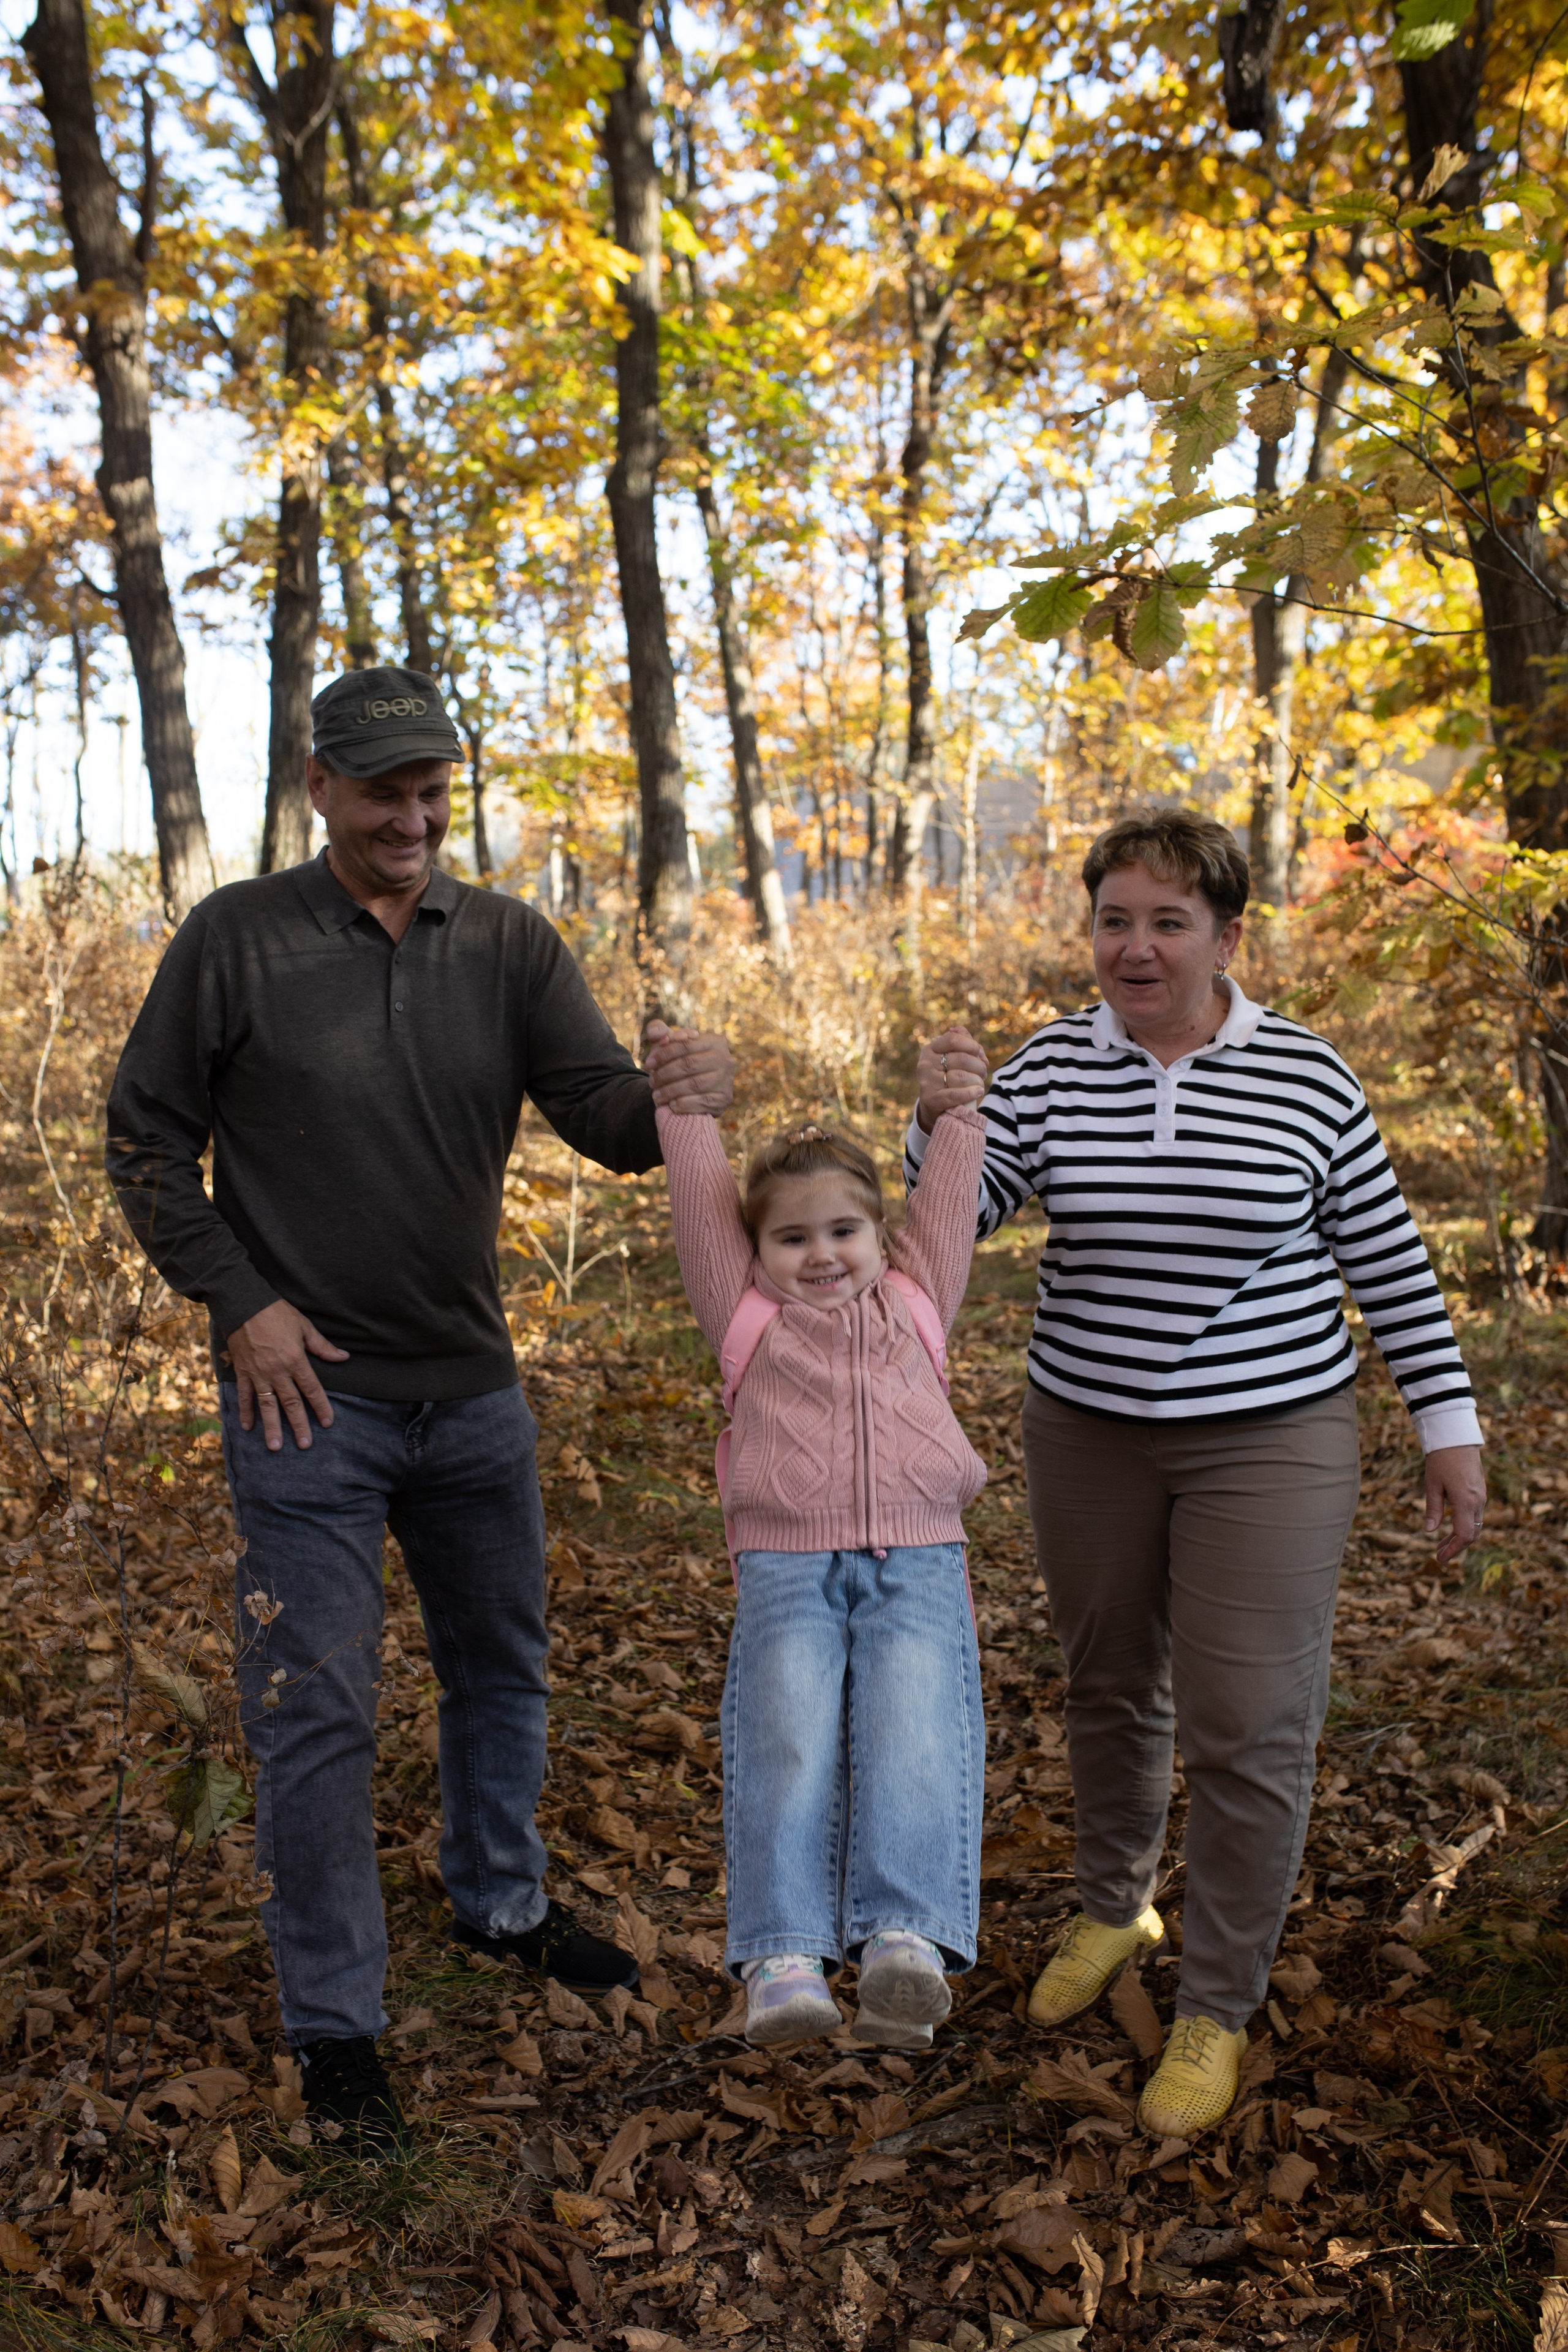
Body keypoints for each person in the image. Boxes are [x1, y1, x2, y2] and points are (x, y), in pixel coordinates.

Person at [104, 665, 733, 2152]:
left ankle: (498, 1902)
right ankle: (336, 2026)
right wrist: (240, 1302)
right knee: (318, 1707)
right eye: (382, 790)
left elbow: (605, 1120)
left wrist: (683, 1094)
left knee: (500, 1667)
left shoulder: (506, 942)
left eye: (431, 789)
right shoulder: (236, 939)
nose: (411, 816)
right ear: (318, 786)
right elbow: (143, 1141)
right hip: (303, 1404)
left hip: (471, 1393)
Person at [908, 807, 1485, 2137]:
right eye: (1113, 919)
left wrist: (1447, 1425)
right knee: (1107, 1684)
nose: (1135, 946)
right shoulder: (1049, 1068)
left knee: (1248, 1724)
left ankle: (1217, 2002)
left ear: (1226, 937)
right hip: (1086, 1429)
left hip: (1269, 1436)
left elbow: (1388, 1261)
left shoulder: (1306, 1076)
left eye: (1167, 921)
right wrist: (938, 1123)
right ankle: (1115, 1907)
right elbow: (952, 1222)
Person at [652, 1052, 988, 2049]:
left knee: (915, 1741)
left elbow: (949, 1202)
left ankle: (904, 1943)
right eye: (791, 1237)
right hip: (786, 1566)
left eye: (844, 1230)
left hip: (917, 1560)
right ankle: (785, 1958)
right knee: (786, 1746)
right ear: (755, 1248)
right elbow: (700, 1209)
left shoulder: (918, 1298)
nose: (822, 1254)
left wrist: (955, 1111)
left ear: (882, 1233)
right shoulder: (746, 1313)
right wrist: (685, 1110)